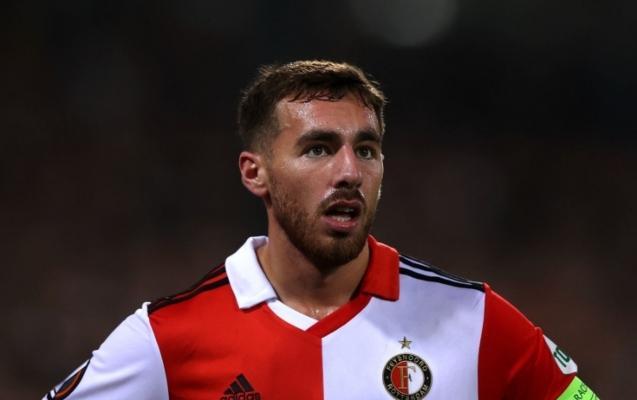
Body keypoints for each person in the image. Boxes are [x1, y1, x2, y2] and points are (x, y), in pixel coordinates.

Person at [44, 60, 598, 400]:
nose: (350, 171)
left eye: (367, 149)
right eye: (318, 149)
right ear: (255, 173)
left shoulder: (474, 320)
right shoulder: (166, 339)